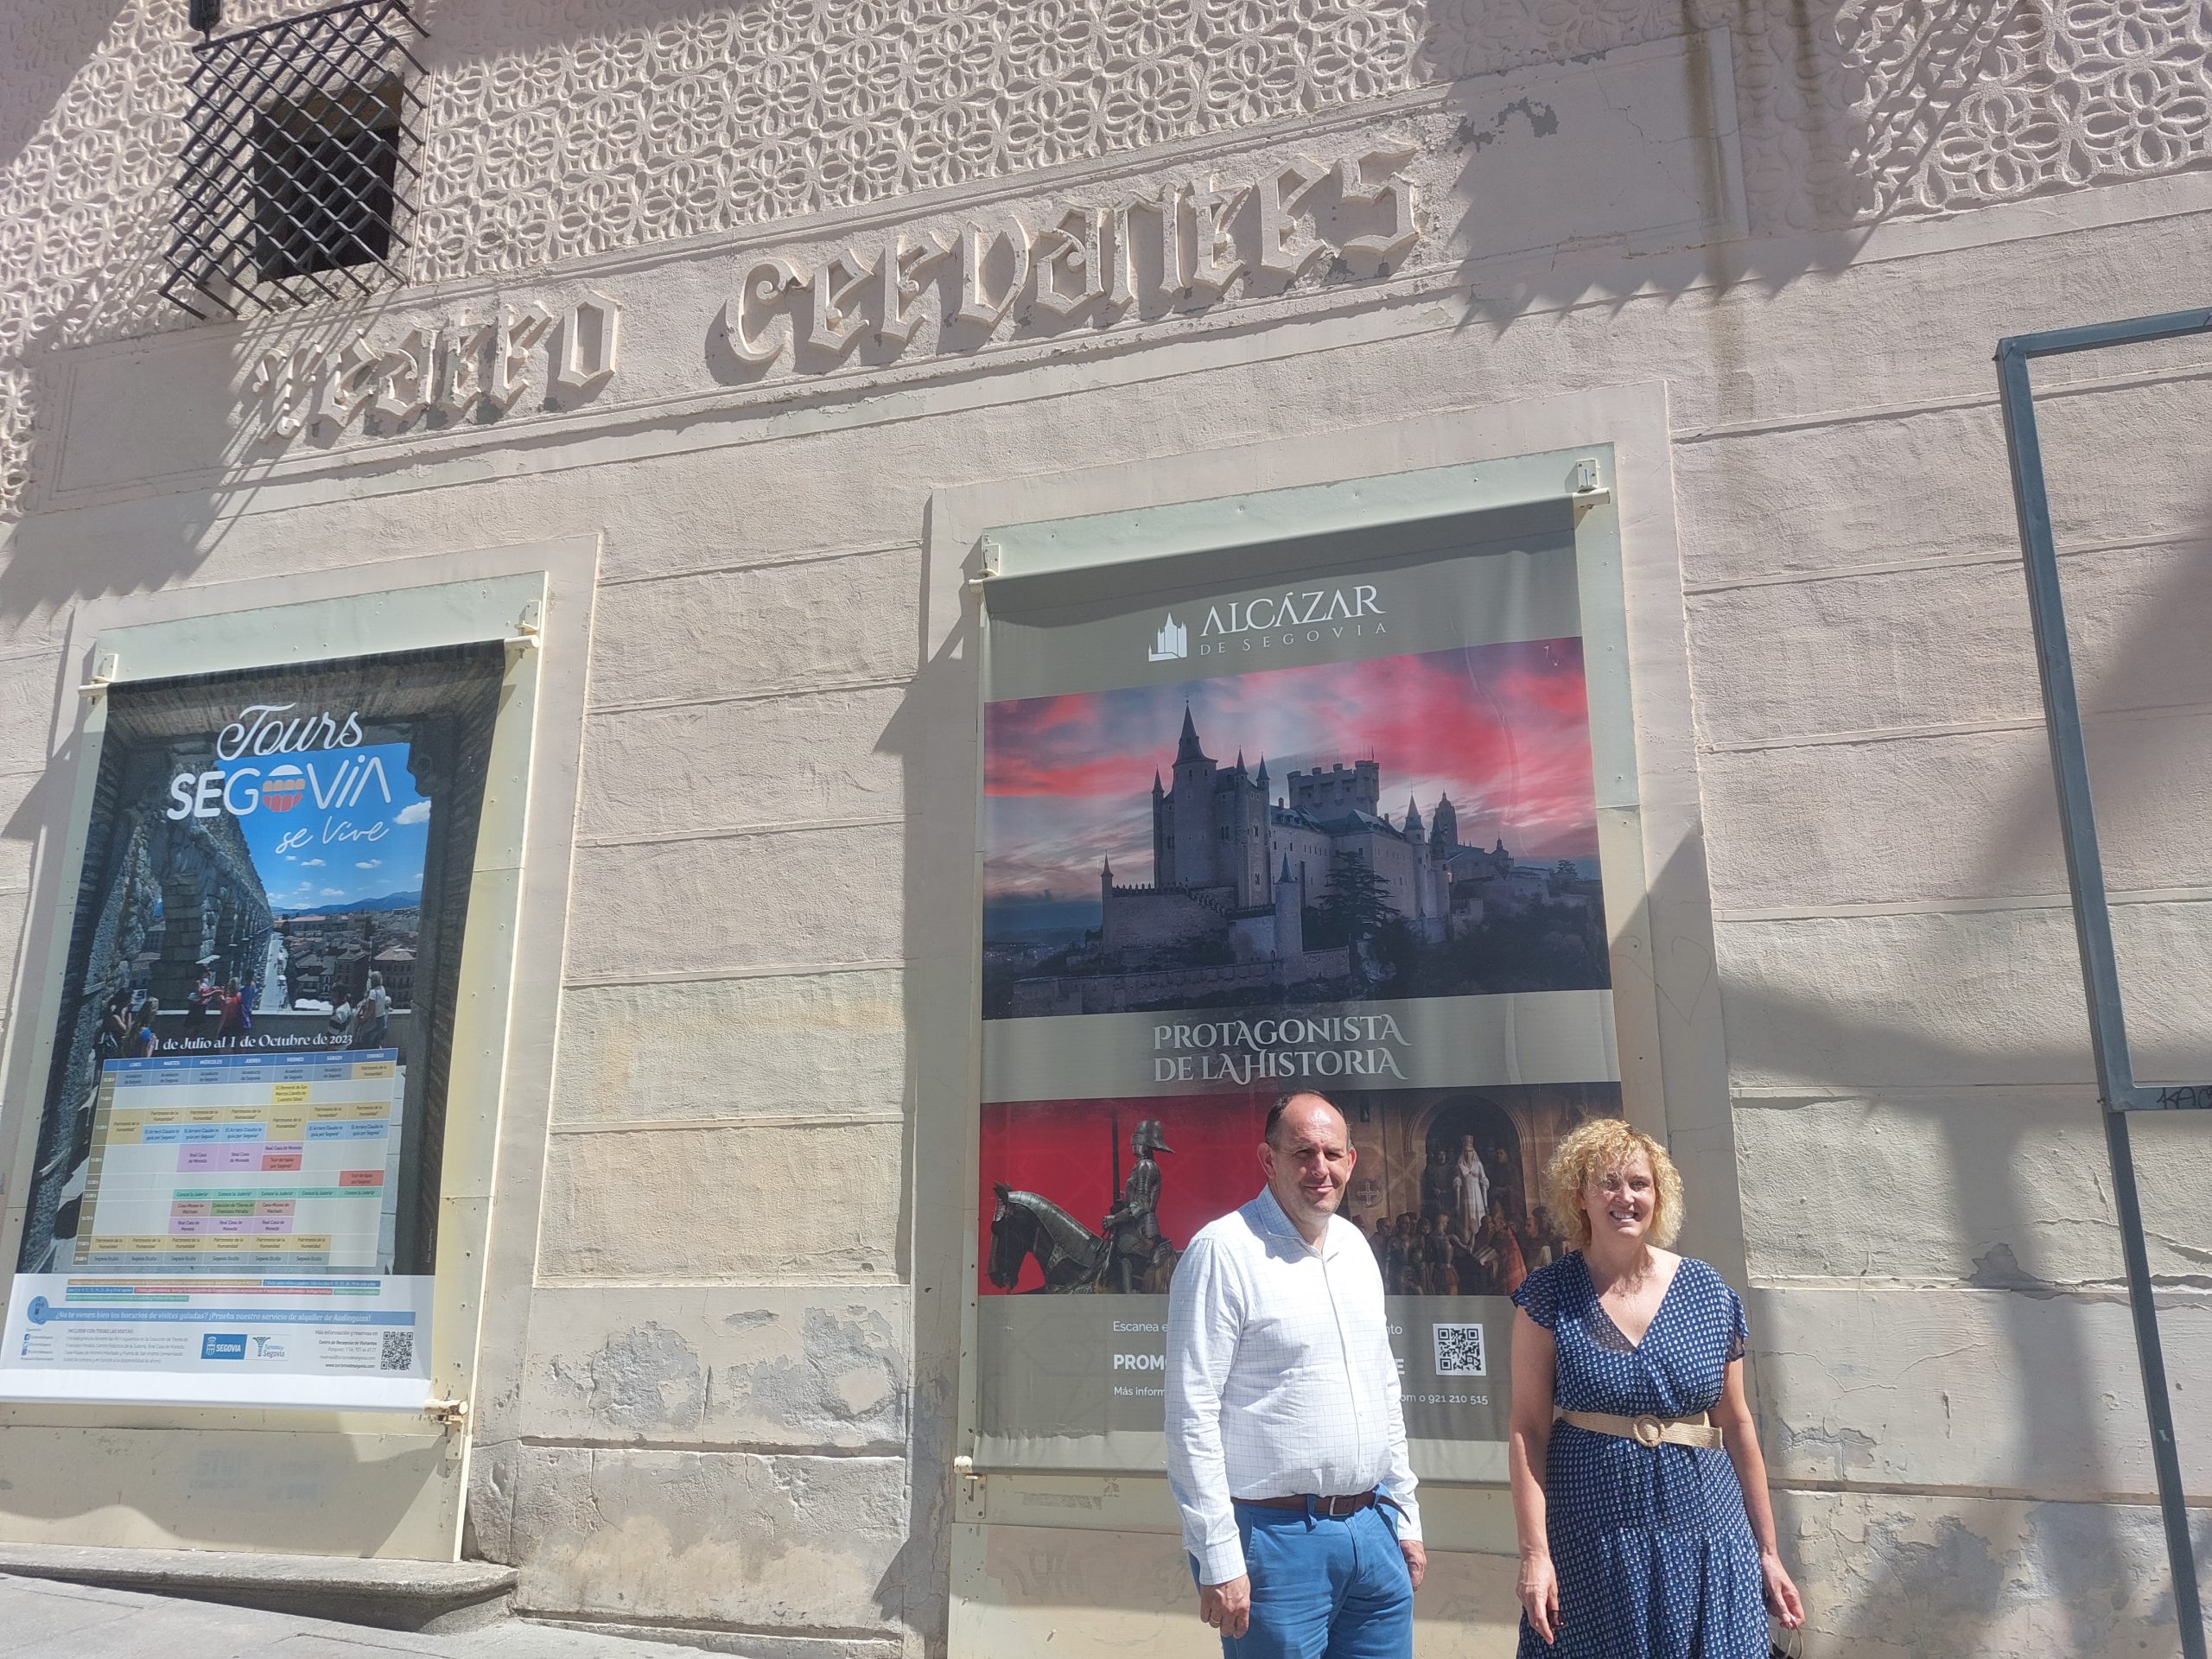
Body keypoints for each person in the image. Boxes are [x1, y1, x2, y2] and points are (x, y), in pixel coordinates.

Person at [1508, 1119, 1803, 1656]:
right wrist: (1535, 1554)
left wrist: (1768, 1552)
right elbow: (1528, 1430)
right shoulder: (1549, 1293)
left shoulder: (1707, 1290)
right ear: (1579, 1196)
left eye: (1639, 1183)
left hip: (1706, 1530)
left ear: (1657, 1195)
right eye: (1608, 1183)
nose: (1625, 1197)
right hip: (1590, 1538)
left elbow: (1737, 1424)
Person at [1166, 1090, 1424, 1658]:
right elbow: (1191, 1417)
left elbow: (1384, 1388)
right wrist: (1218, 1555)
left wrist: (1405, 1518)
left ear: (1351, 1161)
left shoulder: (1356, 1248)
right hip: (1275, 1543)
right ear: (1269, 1160)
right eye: (1303, 1153)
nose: (1320, 1168)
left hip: (1373, 1529)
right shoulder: (1223, 1252)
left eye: (1332, 1154)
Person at [1452, 1134, 1490, 1243]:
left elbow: (1484, 1180)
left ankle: (1480, 1241)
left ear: (1473, 1152)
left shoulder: (1478, 1165)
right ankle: (1467, 1242)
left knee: (1478, 1216)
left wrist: (1485, 1203)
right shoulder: (1460, 1165)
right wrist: (1457, 1203)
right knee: (1466, 1218)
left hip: (1477, 1195)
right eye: (1465, 1151)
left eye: (1470, 1151)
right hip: (1465, 1195)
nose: (1467, 1154)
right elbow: (1457, 1182)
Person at [355, 970, 390, 1048]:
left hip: (373, 1022)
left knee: (367, 1043)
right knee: (375, 1044)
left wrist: (363, 1019)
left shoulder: (373, 993)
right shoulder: (382, 989)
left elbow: (370, 1010)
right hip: (381, 1020)